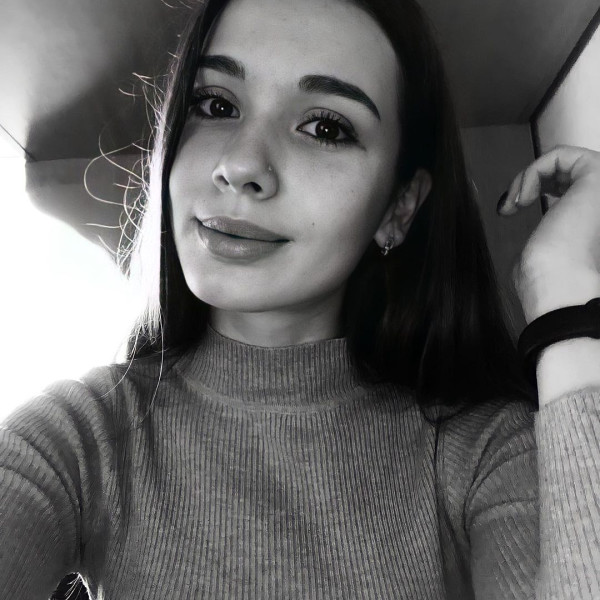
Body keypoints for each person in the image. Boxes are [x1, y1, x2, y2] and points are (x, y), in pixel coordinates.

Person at [1, 0, 600, 597]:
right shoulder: (75, 440)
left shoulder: (487, 450)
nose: (240, 165)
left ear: (398, 209)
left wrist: (566, 293)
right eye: (216, 105)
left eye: (325, 128)